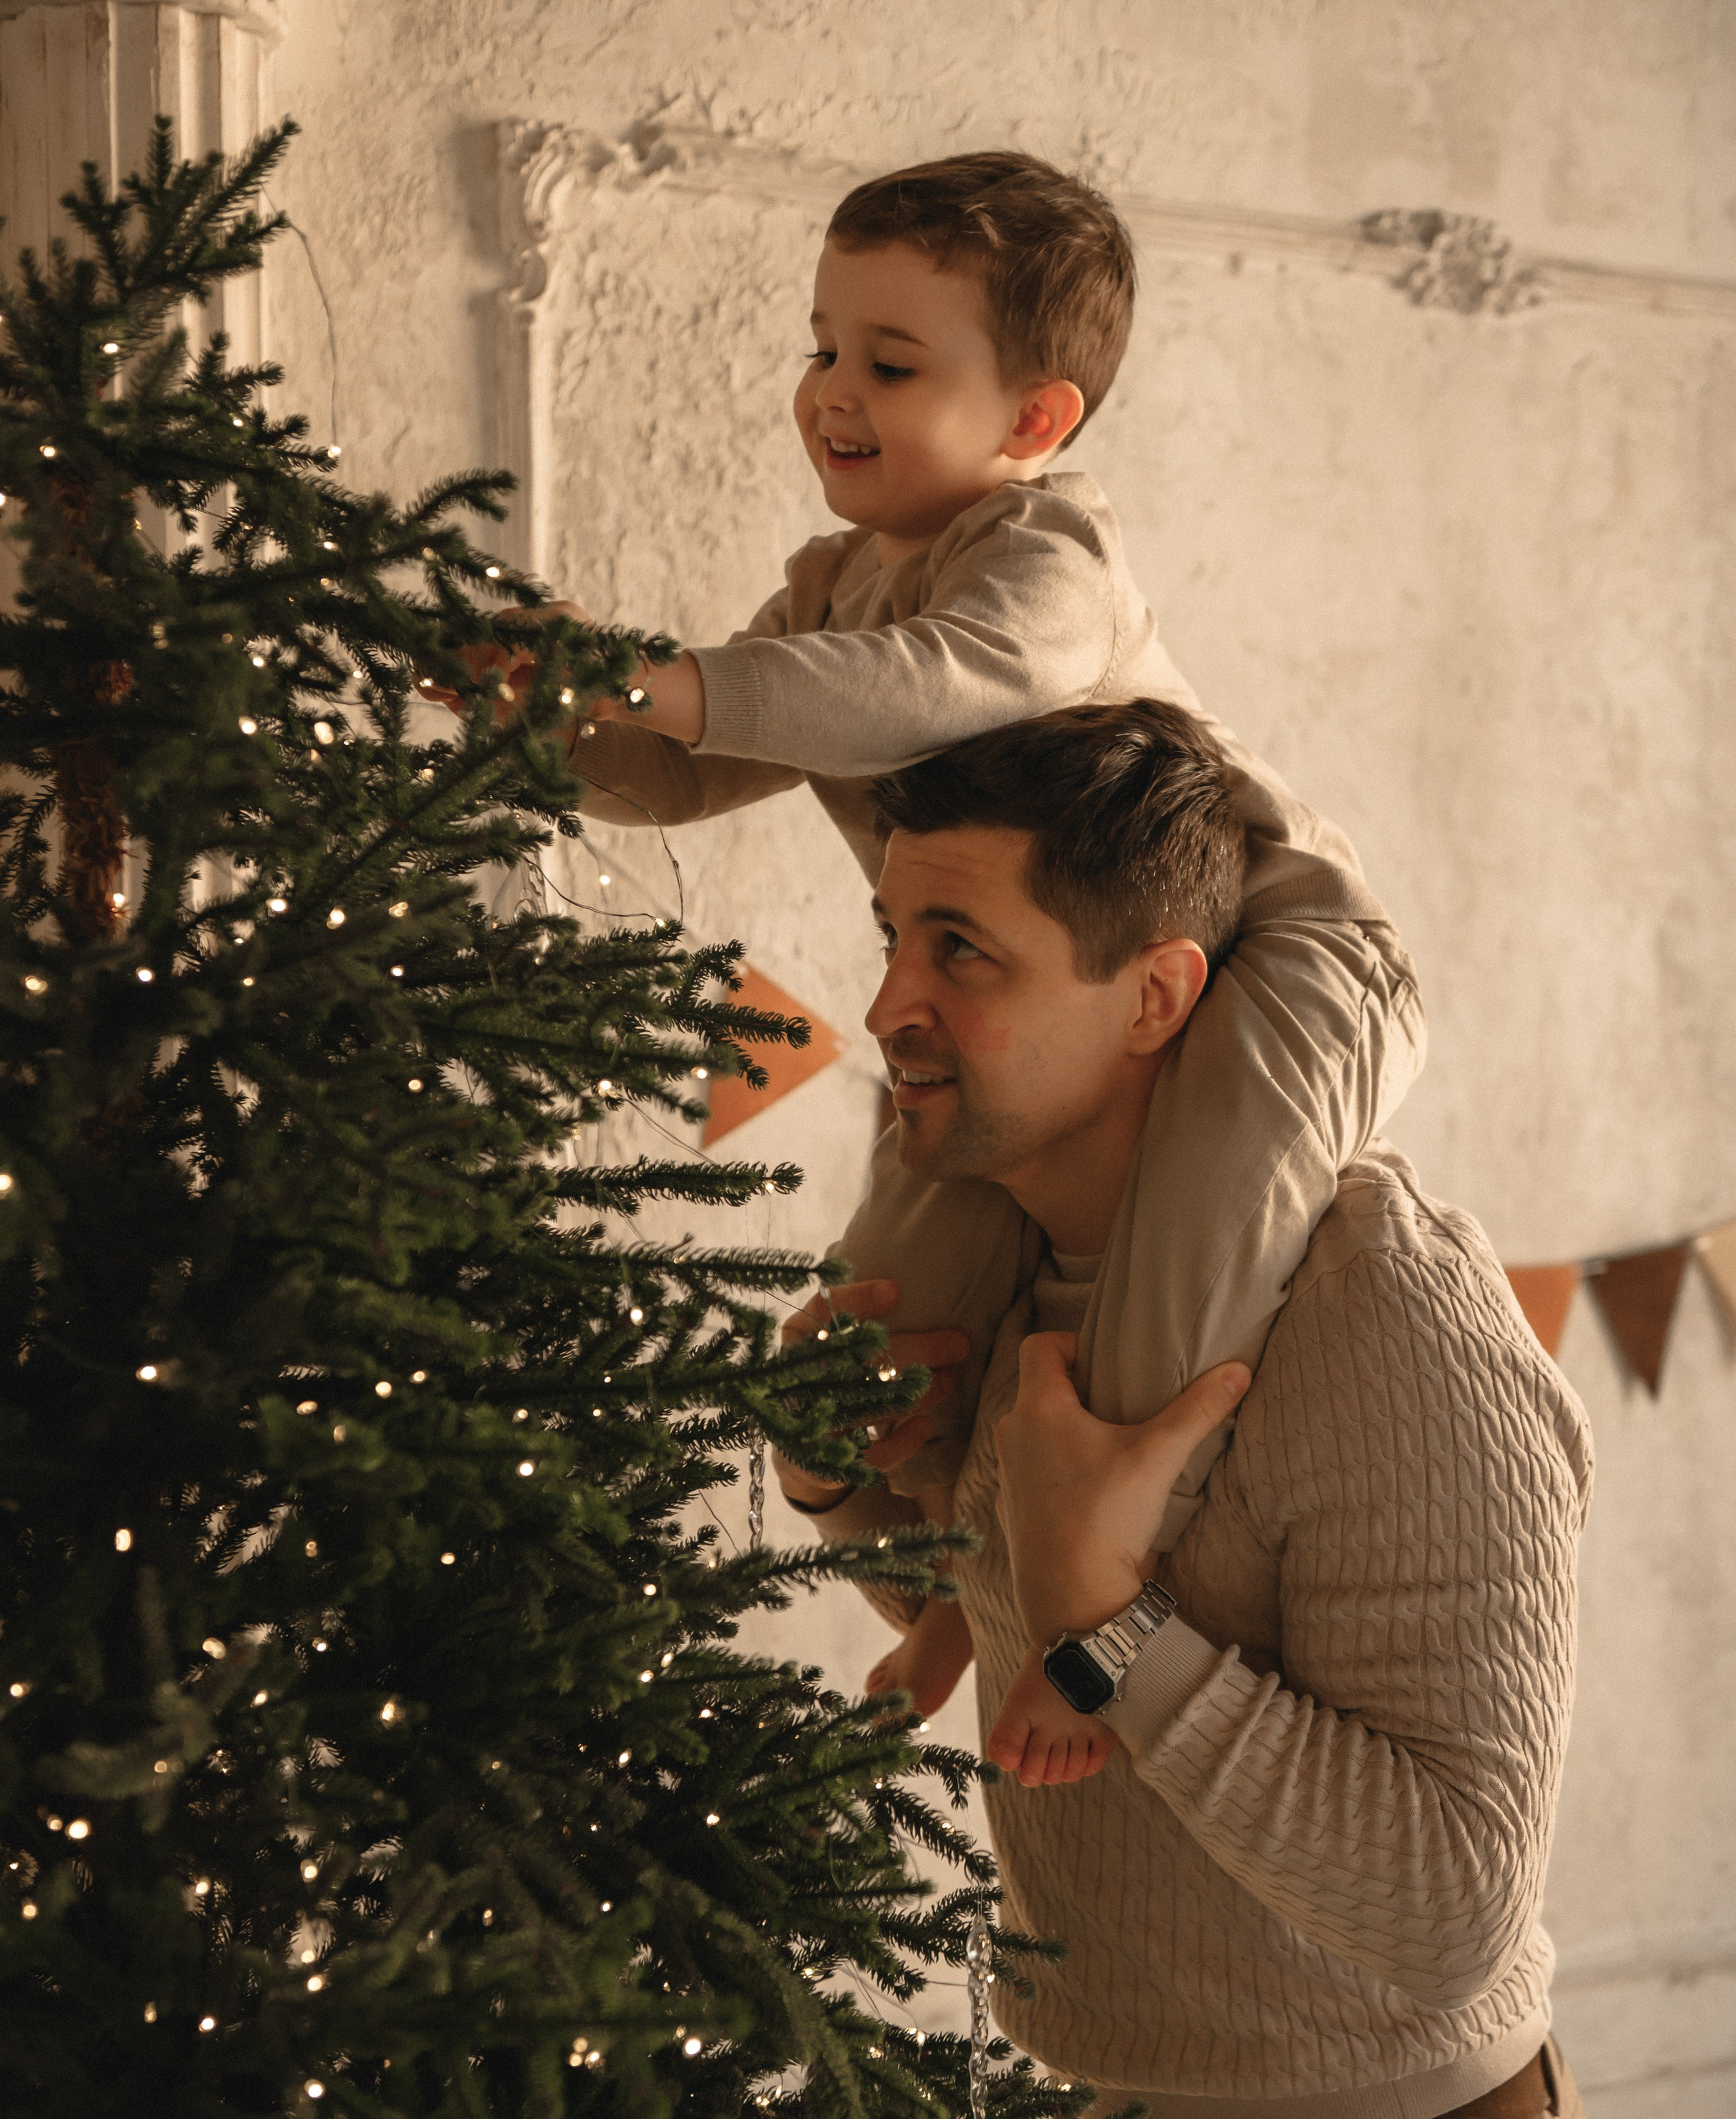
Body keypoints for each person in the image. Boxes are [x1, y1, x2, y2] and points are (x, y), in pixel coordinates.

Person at [773, 700, 1606, 2119]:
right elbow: (977, 1618)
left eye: (963, 951)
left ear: (1154, 998)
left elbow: (1454, 1901)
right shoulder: (1014, 1270)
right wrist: (838, 1466)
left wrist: (1112, 1628)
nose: (896, 1004)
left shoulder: (1386, 1320)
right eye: (895, 943)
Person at [449, 149, 1424, 1535]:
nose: (830, 390)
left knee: (1167, 1330)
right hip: (1005, 1002)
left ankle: (1112, 1603)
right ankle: (931, 1584)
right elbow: (680, 767)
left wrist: (640, 668)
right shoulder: (838, 584)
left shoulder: (1047, 558)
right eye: (822, 346)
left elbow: (927, 685)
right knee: (887, 1319)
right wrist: (535, 705)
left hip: (1266, 954)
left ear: (1033, 415)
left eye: (890, 366)